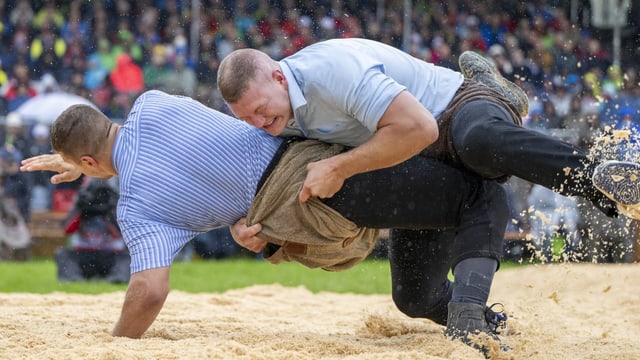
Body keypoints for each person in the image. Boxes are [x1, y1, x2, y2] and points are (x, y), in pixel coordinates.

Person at [216, 38, 640, 353]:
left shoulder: (331, 71)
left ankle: (597, 178)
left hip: (451, 108)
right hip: (414, 157)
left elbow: (420, 129)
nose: (258, 122)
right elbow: (262, 181)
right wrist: (249, 226)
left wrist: (339, 166)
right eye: (247, 118)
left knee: (477, 141)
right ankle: (489, 324)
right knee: (414, 296)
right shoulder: (276, 117)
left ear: (278, 74)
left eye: (259, 109)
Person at [21, 90, 511, 357]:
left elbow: (149, 292)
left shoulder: (135, 208)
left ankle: (472, 306)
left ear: (87, 163)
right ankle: (486, 323)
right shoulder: (152, 105)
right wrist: (85, 158)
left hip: (317, 194)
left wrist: (117, 343)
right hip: (319, 157)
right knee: (415, 294)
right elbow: (183, 149)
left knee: (474, 192)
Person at [54, 177, 130, 283]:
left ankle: (117, 279)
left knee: (128, 257)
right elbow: (66, 229)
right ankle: (73, 279)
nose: (97, 196)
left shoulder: (115, 203)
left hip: (111, 254)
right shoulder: (81, 202)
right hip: (83, 253)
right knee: (62, 253)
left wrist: (109, 210)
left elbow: (122, 233)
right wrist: (80, 208)